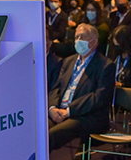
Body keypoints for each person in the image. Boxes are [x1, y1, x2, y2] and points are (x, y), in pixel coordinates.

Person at [47, 24, 115, 152]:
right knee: (37, 131)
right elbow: (56, 88)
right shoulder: (68, 61)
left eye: (82, 37)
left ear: (94, 41)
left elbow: (99, 98)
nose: (78, 41)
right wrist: (52, 108)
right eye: (76, 37)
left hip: (86, 116)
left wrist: (68, 111)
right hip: (59, 111)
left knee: (50, 136)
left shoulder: (105, 65)